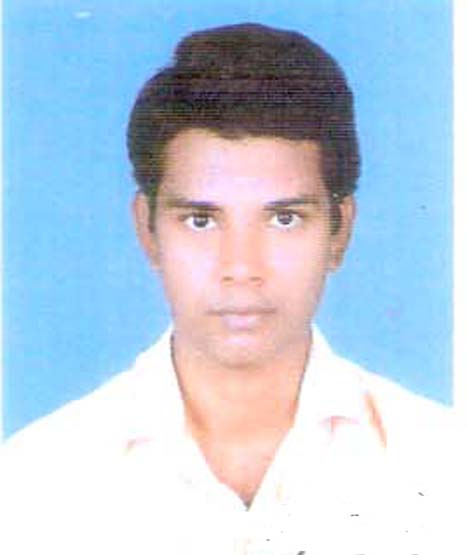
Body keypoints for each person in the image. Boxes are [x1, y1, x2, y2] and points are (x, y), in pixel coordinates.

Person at [1, 22, 463, 555]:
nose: (241, 268)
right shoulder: (33, 486)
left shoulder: (445, 468)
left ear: (340, 232)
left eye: (284, 219)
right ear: (147, 231)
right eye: (201, 221)